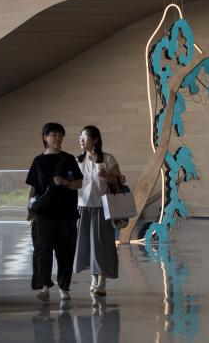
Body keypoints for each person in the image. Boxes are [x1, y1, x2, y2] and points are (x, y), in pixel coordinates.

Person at [26, 122, 83, 302]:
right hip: (43, 214)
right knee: (43, 250)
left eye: (60, 135)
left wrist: (65, 182)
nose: (57, 138)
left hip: (66, 214)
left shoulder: (68, 159)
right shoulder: (38, 161)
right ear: (45, 138)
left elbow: (79, 183)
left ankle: (64, 287)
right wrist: (30, 208)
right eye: (53, 135)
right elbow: (33, 188)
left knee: (65, 251)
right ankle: (44, 287)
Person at [73, 125, 125, 296]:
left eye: (85, 137)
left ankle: (102, 282)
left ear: (95, 140)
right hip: (82, 207)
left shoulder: (108, 159)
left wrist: (106, 176)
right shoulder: (77, 161)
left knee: (102, 244)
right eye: (80, 137)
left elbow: (120, 182)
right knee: (87, 244)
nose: (81, 140)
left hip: (103, 207)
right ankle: (94, 279)